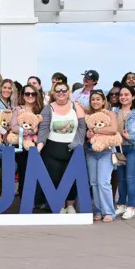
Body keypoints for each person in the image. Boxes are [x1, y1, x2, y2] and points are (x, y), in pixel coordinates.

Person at [36, 83, 86, 213]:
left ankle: (70, 205)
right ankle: (59, 205)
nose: (61, 93)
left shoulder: (76, 106)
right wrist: (39, 147)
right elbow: (43, 129)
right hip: (52, 149)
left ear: (68, 92)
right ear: (53, 93)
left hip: (72, 149)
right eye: (58, 91)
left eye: (64, 90)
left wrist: (78, 144)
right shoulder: (48, 109)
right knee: (54, 178)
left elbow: (82, 127)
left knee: (72, 179)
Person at [83, 90, 118, 222]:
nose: (95, 101)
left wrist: (96, 130)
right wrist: (88, 134)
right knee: (94, 183)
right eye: (93, 99)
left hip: (106, 151)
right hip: (91, 152)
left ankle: (109, 211)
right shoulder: (88, 115)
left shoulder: (110, 114)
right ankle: (98, 210)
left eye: (98, 99)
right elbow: (86, 133)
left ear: (104, 101)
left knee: (103, 182)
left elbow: (113, 130)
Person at [113, 87, 135, 220]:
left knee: (130, 177)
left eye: (126, 94)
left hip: (133, 149)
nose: (123, 97)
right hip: (118, 149)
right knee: (120, 178)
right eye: (121, 95)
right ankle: (121, 203)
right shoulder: (114, 111)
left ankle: (131, 206)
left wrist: (130, 138)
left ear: (133, 97)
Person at [10, 82, 44, 202]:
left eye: (33, 94)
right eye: (27, 93)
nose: (30, 96)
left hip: (38, 146)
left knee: (37, 174)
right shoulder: (18, 109)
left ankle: (37, 200)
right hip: (22, 147)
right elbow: (13, 126)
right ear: (23, 95)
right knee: (24, 173)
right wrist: (24, 131)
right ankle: (25, 201)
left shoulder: (41, 109)